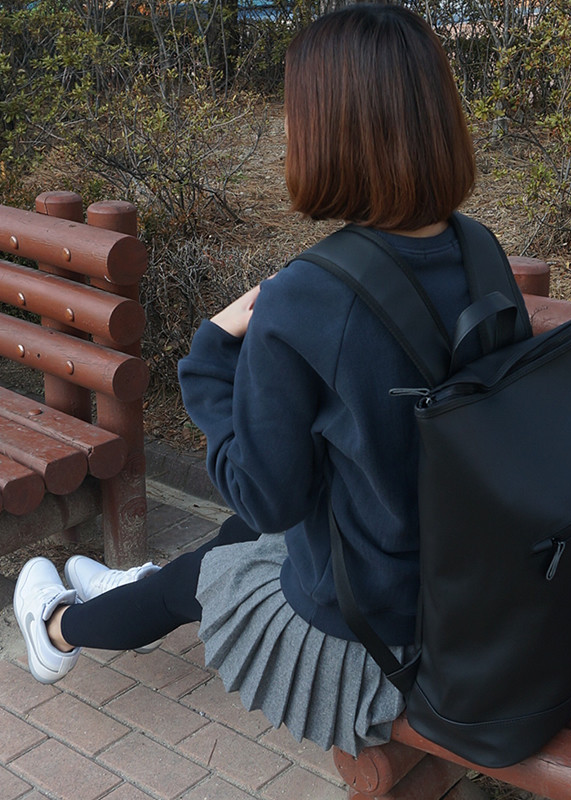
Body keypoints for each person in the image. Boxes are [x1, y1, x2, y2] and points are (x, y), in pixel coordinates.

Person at [13, 2, 489, 755]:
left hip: (377, 637)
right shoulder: (478, 251)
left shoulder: (314, 294)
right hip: (467, 583)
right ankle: (126, 590)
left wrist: (209, 358)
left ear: (331, 132)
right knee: (231, 546)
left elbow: (265, 498)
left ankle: (58, 627)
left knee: (222, 561)